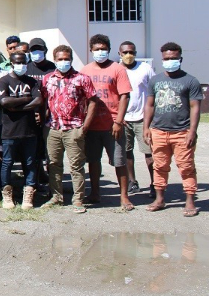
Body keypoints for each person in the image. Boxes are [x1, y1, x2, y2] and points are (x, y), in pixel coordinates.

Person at [144, 42, 203, 216]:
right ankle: (160, 199)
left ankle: (190, 201)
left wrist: (192, 131)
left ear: (180, 59)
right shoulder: (155, 80)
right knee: (160, 167)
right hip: (158, 131)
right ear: (162, 59)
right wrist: (146, 127)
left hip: (182, 132)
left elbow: (195, 107)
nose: (170, 61)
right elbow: (149, 105)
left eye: (174, 58)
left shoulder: (190, 81)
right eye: (167, 58)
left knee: (186, 167)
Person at [41, 45, 97, 213]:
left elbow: (93, 101)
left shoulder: (82, 79)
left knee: (76, 165)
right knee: (53, 163)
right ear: (55, 60)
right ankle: (56, 196)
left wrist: (85, 125)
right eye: (60, 59)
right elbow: (44, 101)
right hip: (53, 128)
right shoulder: (48, 79)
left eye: (66, 59)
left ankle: (78, 199)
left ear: (71, 59)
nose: (63, 62)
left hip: (74, 128)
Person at [80, 34, 132, 209]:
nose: (100, 52)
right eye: (97, 49)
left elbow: (125, 96)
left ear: (109, 50)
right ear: (91, 50)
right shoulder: (85, 70)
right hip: (92, 125)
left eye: (103, 49)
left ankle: (124, 196)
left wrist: (118, 121)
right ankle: (95, 193)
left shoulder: (118, 69)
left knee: (119, 161)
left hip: (112, 125)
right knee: (93, 161)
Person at [0, 51, 42, 209]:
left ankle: (28, 193)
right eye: (17, 62)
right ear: (11, 63)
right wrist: (27, 100)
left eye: (23, 62)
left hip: (29, 131)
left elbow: (38, 100)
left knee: (30, 163)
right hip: (9, 131)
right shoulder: (4, 81)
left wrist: (18, 105)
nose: (21, 65)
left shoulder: (32, 82)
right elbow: (5, 102)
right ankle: (7, 194)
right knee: (7, 162)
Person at [119, 41, 156, 197]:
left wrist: (150, 118)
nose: (129, 55)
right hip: (124, 119)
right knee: (127, 152)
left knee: (149, 153)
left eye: (132, 52)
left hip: (143, 118)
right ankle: (133, 182)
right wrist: (119, 117)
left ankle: (155, 184)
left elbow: (153, 92)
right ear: (119, 54)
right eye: (125, 52)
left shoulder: (145, 68)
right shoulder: (117, 69)